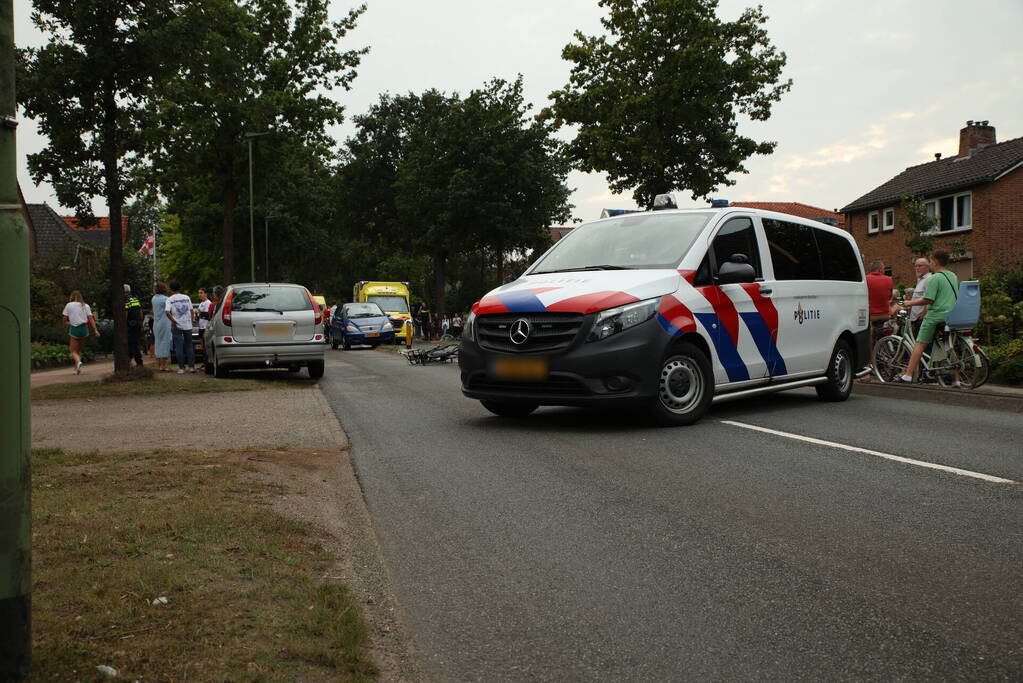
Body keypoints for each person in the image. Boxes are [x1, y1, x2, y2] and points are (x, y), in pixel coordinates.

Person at [898, 249, 960, 385]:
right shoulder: (953, 276)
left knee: (919, 343)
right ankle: (956, 381)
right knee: (949, 346)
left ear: (936, 261)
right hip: (950, 316)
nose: (930, 263)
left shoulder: (934, 278)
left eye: (931, 261)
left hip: (936, 316)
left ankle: (908, 375)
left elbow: (928, 300)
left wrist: (909, 303)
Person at [62, 290, 99, 374]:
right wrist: (95, 330)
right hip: (84, 329)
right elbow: (90, 318)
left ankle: (78, 362)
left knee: (73, 351)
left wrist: (64, 326)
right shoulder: (86, 305)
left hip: (75, 328)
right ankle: (76, 369)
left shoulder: (69, 305)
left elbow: (64, 317)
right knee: (78, 350)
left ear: (72, 296)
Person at [165, 280, 196, 373]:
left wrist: (173, 320)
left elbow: (167, 311)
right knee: (189, 345)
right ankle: (191, 367)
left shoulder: (170, 299)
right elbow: (191, 310)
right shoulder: (186, 297)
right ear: (180, 288)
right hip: (188, 324)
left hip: (177, 325)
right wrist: (192, 320)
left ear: (170, 289)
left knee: (178, 346)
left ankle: (181, 368)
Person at [865, 259, 896, 350]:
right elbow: (889, 296)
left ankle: (870, 357)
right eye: (883, 269)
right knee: (881, 333)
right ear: (879, 269)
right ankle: (882, 350)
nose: (884, 271)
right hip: (884, 315)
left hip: (871, 315)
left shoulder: (866, 279)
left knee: (869, 337)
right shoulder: (889, 279)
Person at [907, 257, 931, 336]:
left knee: (922, 345)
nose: (917, 268)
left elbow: (929, 298)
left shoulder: (929, 279)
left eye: (920, 266)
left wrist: (923, 315)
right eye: (916, 266)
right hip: (916, 318)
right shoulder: (920, 279)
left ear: (927, 267)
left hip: (921, 319)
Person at [152, 282, 172, 372]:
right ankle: (163, 365)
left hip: (156, 323)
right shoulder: (166, 299)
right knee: (165, 342)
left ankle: (159, 364)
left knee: (158, 342)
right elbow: (170, 310)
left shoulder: (153, 298)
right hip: (165, 322)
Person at [124, 284, 144, 367]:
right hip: (138, 324)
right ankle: (129, 361)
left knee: (133, 344)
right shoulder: (135, 299)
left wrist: (123, 325)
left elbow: (126, 312)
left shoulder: (125, 300)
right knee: (133, 343)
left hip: (130, 324)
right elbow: (140, 311)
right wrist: (141, 322)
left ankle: (139, 362)